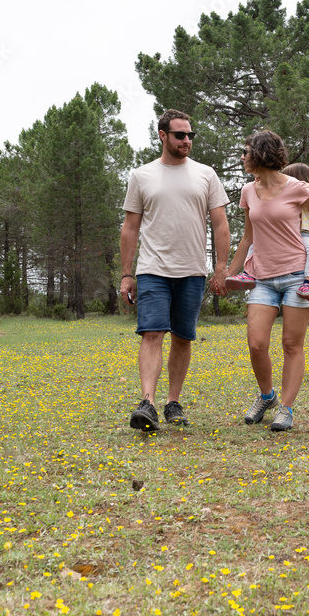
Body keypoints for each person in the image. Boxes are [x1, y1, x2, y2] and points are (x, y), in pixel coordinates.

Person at [120, 109, 230, 432]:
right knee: (152, 333)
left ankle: (172, 403)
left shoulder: (206, 175)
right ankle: (147, 404)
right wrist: (127, 273)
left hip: (193, 270)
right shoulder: (142, 176)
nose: (186, 141)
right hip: (152, 268)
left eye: (190, 135)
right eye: (180, 135)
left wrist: (221, 266)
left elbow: (221, 223)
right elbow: (130, 228)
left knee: (183, 337)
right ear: (162, 135)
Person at [216, 131, 309, 432]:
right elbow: (248, 237)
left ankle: (286, 408)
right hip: (262, 278)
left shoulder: (296, 187)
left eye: (246, 152)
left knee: (292, 344)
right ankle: (267, 396)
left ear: (261, 154)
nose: (242, 157)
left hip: (297, 276)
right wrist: (229, 273)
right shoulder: (247, 192)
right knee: (256, 344)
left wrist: (299, 232)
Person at [225, 163, 309, 302]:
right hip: (280, 237)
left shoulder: (301, 189)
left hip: (304, 235)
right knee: (255, 245)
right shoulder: (275, 194)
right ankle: (247, 273)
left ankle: (308, 283)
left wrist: (299, 184)